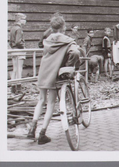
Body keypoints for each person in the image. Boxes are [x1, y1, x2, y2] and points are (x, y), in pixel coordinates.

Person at [27, 15, 80, 144]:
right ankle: (42, 134)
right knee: (51, 103)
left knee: (41, 100)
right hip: (54, 74)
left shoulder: (47, 40)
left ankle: (32, 129)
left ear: (51, 27)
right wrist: (69, 66)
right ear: (64, 27)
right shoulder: (68, 41)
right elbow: (76, 53)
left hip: (43, 72)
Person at [9, 13, 27, 79]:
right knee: (19, 68)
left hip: (13, 50)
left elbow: (11, 41)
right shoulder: (19, 29)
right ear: (19, 20)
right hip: (19, 50)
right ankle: (19, 85)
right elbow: (18, 42)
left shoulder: (13, 28)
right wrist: (23, 47)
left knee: (15, 68)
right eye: (24, 19)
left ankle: (13, 85)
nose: (25, 21)